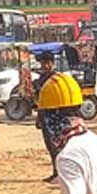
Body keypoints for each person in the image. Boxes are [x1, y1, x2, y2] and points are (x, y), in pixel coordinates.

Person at [35, 50, 60, 183]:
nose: (43, 65)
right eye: (42, 63)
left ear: (52, 63)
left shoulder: (55, 79)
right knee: (50, 146)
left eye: (46, 63)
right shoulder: (42, 79)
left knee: (55, 146)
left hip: (54, 117)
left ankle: (59, 173)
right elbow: (39, 99)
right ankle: (56, 172)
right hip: (45, 115)